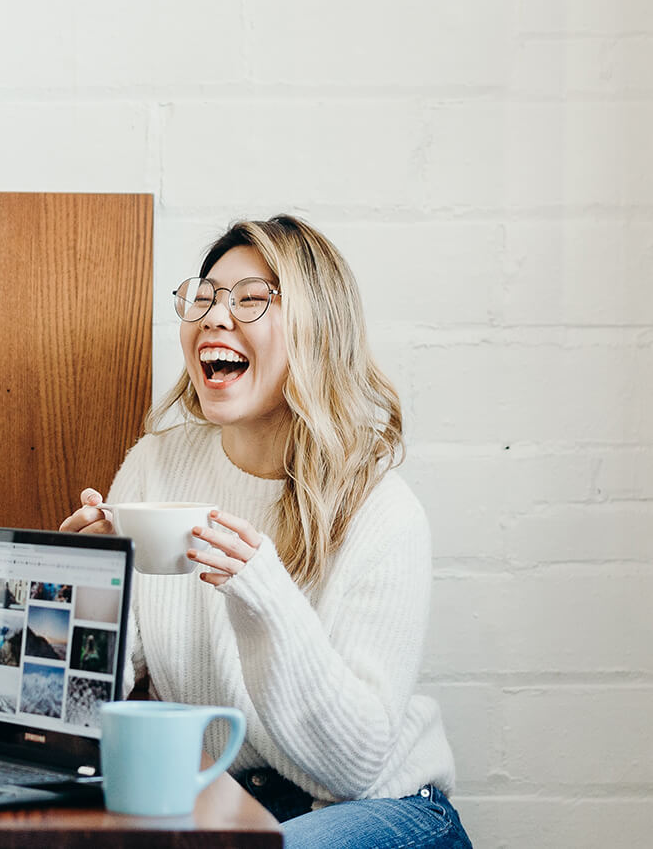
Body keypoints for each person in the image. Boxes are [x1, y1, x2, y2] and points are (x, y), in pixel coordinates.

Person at [60, 216, 472, 849]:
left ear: (316, 330)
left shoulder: (381, 511)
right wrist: (87, 587)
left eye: (252, 300)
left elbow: (352, 768)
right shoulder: (156, 465)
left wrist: (264, 596)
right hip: (227, 798)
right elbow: (97, 697)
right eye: (204, 297)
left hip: (384, 809)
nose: (215, 319)